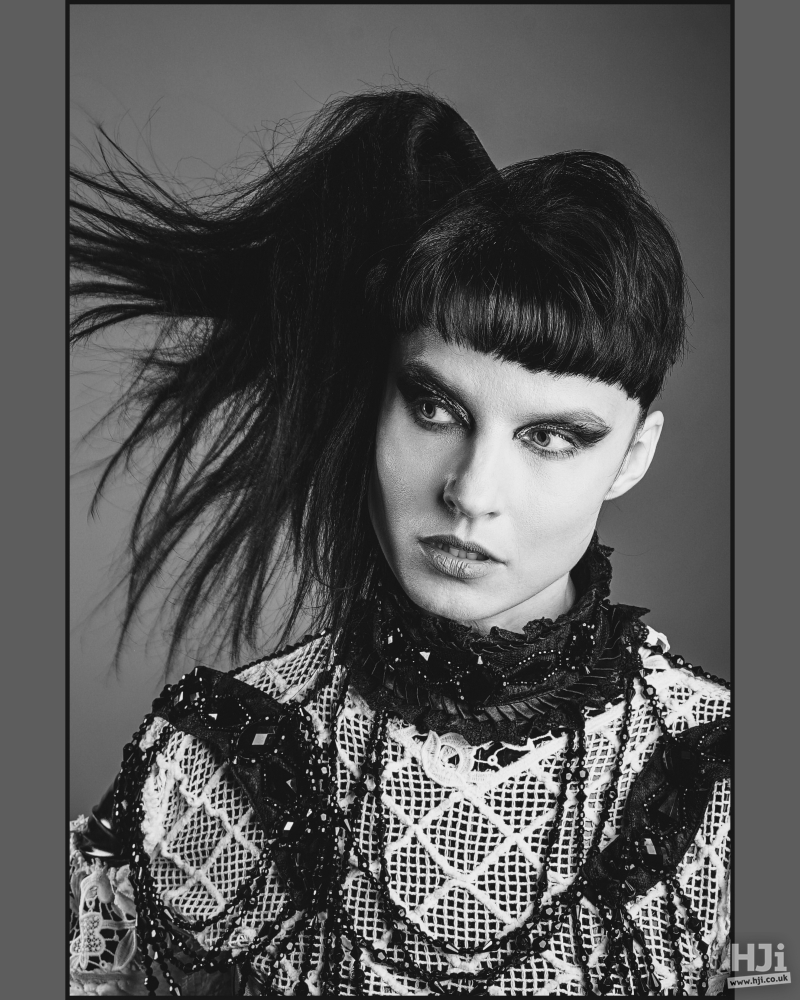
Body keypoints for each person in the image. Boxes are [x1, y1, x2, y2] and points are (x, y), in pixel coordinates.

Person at [69, 88, 730, 996]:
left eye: (550, 437)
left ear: (633, 455)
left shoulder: (730, 786)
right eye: (435, 408)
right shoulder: (212, 768)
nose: (471, 493)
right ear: (380, 398)